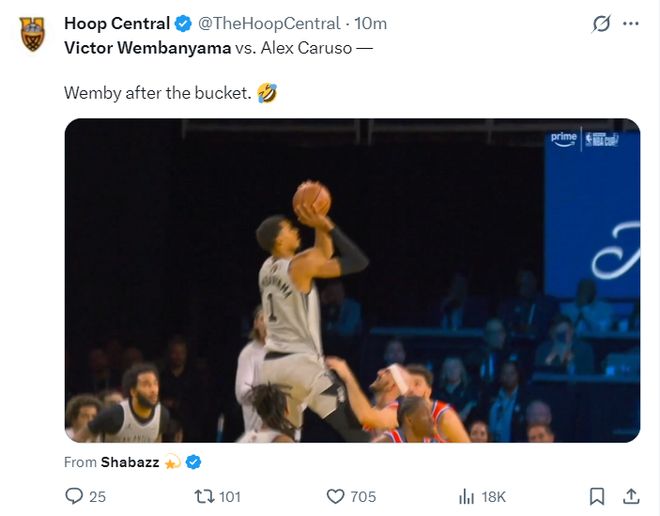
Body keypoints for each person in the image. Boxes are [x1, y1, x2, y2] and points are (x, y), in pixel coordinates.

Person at [255, 202, 370, 442]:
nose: (296, 230)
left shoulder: (265, 268)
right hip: (301, 366)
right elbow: (358, 261)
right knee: (356, 432)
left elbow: (322, 253)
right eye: (289, 228)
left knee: (284, 439)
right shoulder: (299, 267)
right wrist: (328, 225)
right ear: (279, 240)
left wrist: (319, 225)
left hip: (272, 368)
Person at [73, 363, 170, 442]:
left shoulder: (162, 414)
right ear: (133, 391)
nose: (153, 390)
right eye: (146, 385)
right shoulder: (114, 415)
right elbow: (79, 438)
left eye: (155, 384)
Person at [325, 356, 410, 431]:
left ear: (392, 386)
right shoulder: (375, 410)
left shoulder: (398, 412)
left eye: (387, 372)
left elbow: (367, 417)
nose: (379, 372)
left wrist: (347, 376)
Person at [406, 363, 471, 442]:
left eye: (417, 384)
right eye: (407, 384)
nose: (411, 389)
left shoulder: (446, 416)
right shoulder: (397, 413)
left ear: (428, 390)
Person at [498, 269, 559, 340]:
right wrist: (519, 328)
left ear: (535, 282)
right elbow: (504, 326)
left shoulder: (549, 303)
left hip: (540, 343)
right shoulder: (509, 305)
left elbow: (554, 329)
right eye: (520, 285)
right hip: (515, 344)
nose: (522, 288)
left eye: (526, 284)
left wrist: (537, 331)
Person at [235, 306, 267, 433]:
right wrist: (266, 395)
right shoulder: (248, 354)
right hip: (258, 430)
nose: (267, 323)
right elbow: (241, 394)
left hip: (286, 430)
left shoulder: (288, 352)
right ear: (256, 324)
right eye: (262, 319)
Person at [486, 361, 527, 442]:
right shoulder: (490, 396)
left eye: (512, 373)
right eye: (505, 373)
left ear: (518, 375)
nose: (508, 377)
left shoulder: (525, 398)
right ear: (500, 376)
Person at [373, 396, 437, 443]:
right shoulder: (388, 441)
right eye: (426, 414)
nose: (432, 419)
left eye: (430, 414)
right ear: (409, 420)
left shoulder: (431, 442)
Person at [436, 357, 479, 422]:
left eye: (455, 367)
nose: (452, 371)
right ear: (444, 372)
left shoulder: (471, 391)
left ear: (461, 369)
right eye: (448, 368)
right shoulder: (438, 393)